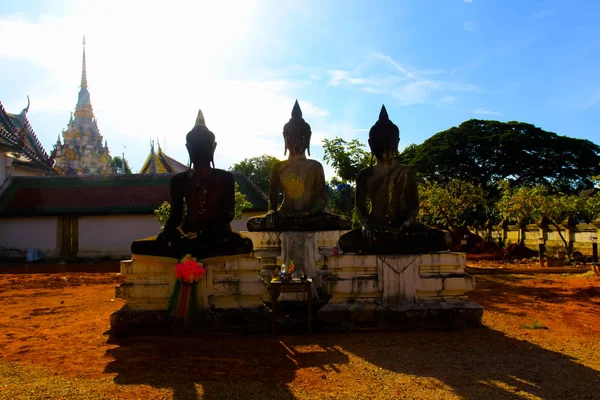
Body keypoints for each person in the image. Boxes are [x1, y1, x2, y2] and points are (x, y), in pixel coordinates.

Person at [131, 110, 253, 259]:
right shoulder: (179, 180)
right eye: (196, 146)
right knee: (139, 246)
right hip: (187, 234)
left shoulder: (224, 178)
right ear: (188, 148)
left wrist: (207, 232)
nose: (200, 150)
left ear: (213, 147)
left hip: (218, 235)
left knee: (245, 244)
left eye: (204, 146)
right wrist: (168, 232)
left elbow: (228, 213)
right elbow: (176, 214)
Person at [338, 106, 451, 254]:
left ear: (397, 143)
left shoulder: (406, 172)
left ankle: (392, 242)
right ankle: (395, 243)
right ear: (371, 144)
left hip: (404, 228)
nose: (385, 147)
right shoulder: (365, 174)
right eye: (380, 142)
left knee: (444, 238)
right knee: (345, 242)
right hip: (375, 228)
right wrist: (365, 226)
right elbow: (360, 207)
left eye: (389, 142)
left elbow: (414, 205)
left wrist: (407, 223)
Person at [247, 101, 350, 231]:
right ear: (285, 137)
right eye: (291, 137)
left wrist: (310, 212)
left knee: (344, 222)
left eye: (301, 137)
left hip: (310, 216)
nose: (296, 142)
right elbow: (272, 200)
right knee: (253, 223)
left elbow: (321, 199)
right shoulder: (278, 167)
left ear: (308, 138)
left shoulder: (315, 166)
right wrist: (271, 212)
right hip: (285, 214)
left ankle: (303, 220)